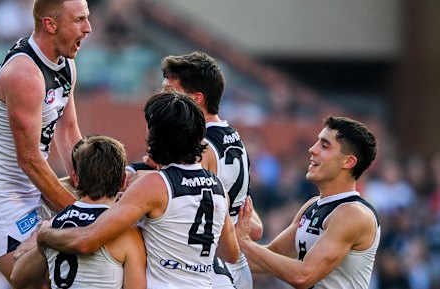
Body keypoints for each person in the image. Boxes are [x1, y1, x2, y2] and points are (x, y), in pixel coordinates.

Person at [37, 92, 240, 289]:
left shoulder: (154, 185)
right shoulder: (218, 187)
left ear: (157, 136)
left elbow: (86, 241)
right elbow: (230, 253)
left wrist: (46, 235)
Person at [0, 0, 91, 285]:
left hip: (31, 187)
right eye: (79, 20)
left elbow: (69, 131)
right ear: (50, 24)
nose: (88, 28)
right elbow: (30, 159)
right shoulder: (24, 75)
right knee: (39, 282)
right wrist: (81, 212)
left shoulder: (66, 64)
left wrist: (88, 185)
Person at [126, 51, 262, 289]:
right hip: (229, 264)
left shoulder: (202, 145)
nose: (160, 96)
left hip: (209, 268)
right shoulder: (231, 136)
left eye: (168, 90)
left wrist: (135, 175)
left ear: (196, 99)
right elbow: (253, 224)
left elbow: (169, 189)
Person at [236, 116, 380, 289]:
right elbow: (269, 257)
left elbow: (303, 276)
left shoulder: (353, 214)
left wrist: (246, 243)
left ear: (348, 162)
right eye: (317, 142)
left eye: (324, 146)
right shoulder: (312, 205)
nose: (313, 149)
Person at [10, 135, 146, 289]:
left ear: (75, 179)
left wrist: (42, 242)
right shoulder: (126, 233)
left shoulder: (54, 226)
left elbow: (16, 279)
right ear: (123, 181)